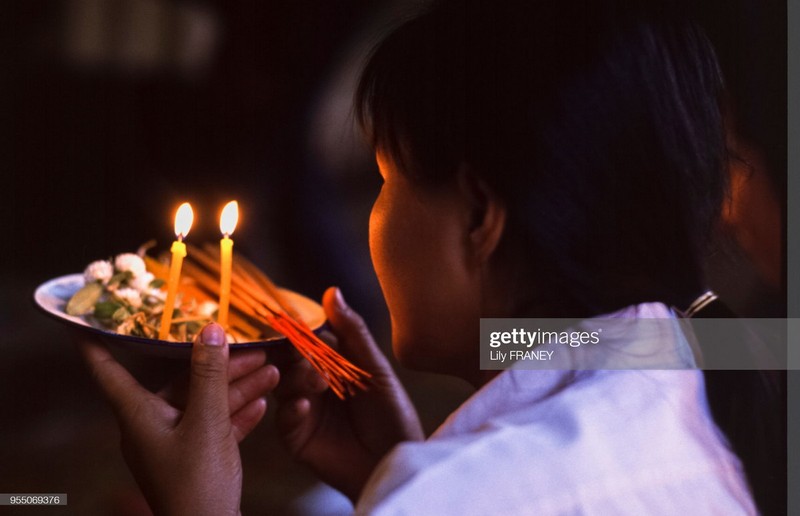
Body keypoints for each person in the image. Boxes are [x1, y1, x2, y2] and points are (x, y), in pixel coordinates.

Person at [80, 0, 767, 513]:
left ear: (477, 217)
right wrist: (395, 468)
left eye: (386, 181)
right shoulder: (674, 402)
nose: (375, 216)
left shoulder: (455, 496)